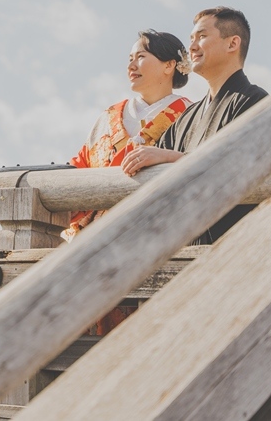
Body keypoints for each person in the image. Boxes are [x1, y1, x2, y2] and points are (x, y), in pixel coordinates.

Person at [64, 30, 193, 335]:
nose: (131, 65)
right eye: (130, 59)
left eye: (141, 57)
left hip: (157, 240)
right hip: (97, 241)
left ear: (168, 65)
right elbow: (80, 165)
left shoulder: (189, 113)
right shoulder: (108, 116)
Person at [121, 7, 268, 242]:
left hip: (233, 245)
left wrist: (171, 158)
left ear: (232, 44)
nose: (192, 47)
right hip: (182, 247)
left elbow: (237, 170)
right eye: (191, 39)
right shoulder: (187, 117)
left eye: (201, 37)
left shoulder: (254, 101)